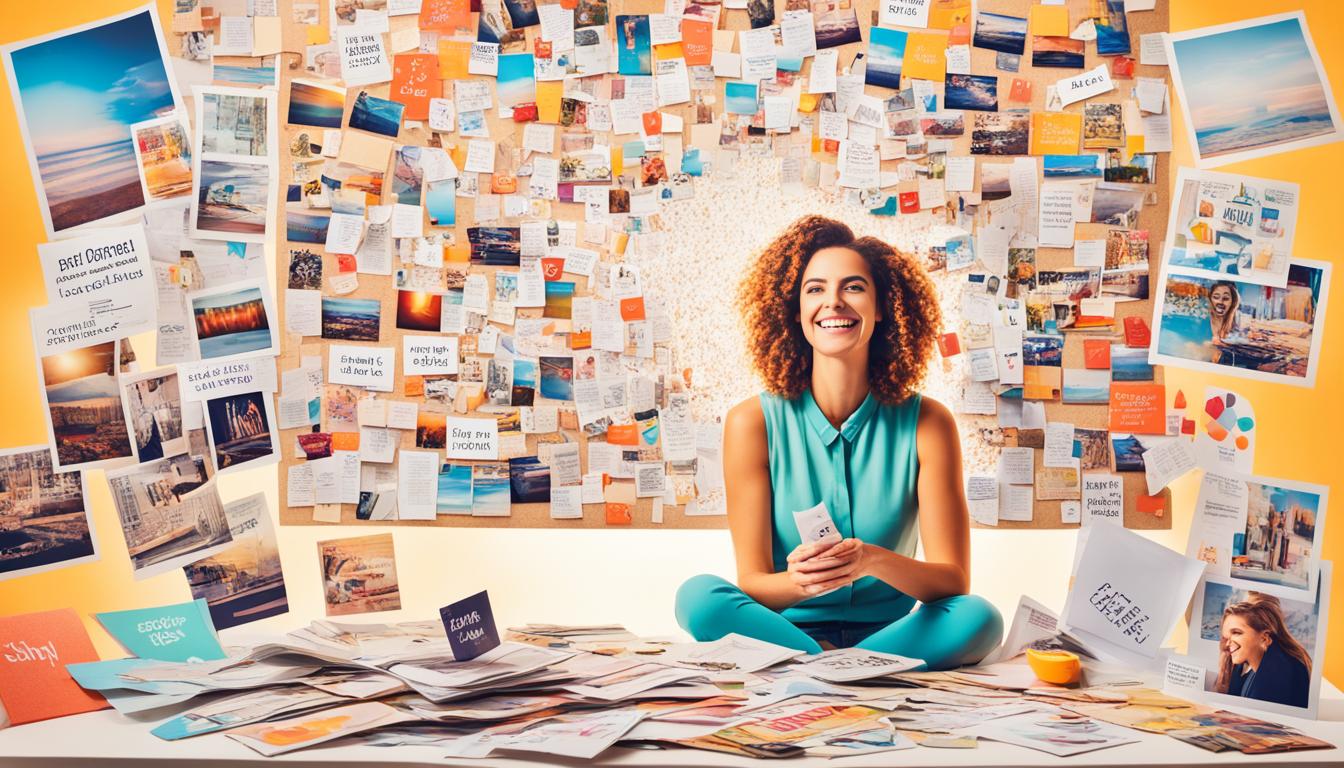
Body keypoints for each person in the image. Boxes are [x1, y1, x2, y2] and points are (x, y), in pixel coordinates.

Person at [674, 216, 1003, 671]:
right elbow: (751, 583)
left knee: (979, 617)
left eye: (853, 287)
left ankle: (831, 667)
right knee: (698, 598)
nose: (833, 302)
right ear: (795, 310)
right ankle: (843, 666)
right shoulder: (752, 422)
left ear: (882, 307)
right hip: (784, 631)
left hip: (894, 633)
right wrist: (801, 582)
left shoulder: (928, 423)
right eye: (815, 289)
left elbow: (953, 581)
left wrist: (869, 561)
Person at [1214, 594, 1312, 709]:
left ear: (1264, 638)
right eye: (1226, 636)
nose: (1227, 643)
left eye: (1236, 632)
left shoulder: (1281, 672)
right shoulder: (1250, 665)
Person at [1207, 280, 1241, 364]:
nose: (1220, 302)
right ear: (1210, 299)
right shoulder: (1203, 321)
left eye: (1225, 298)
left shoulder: (1236, 328)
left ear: (1233, 302)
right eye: (1216, 297)